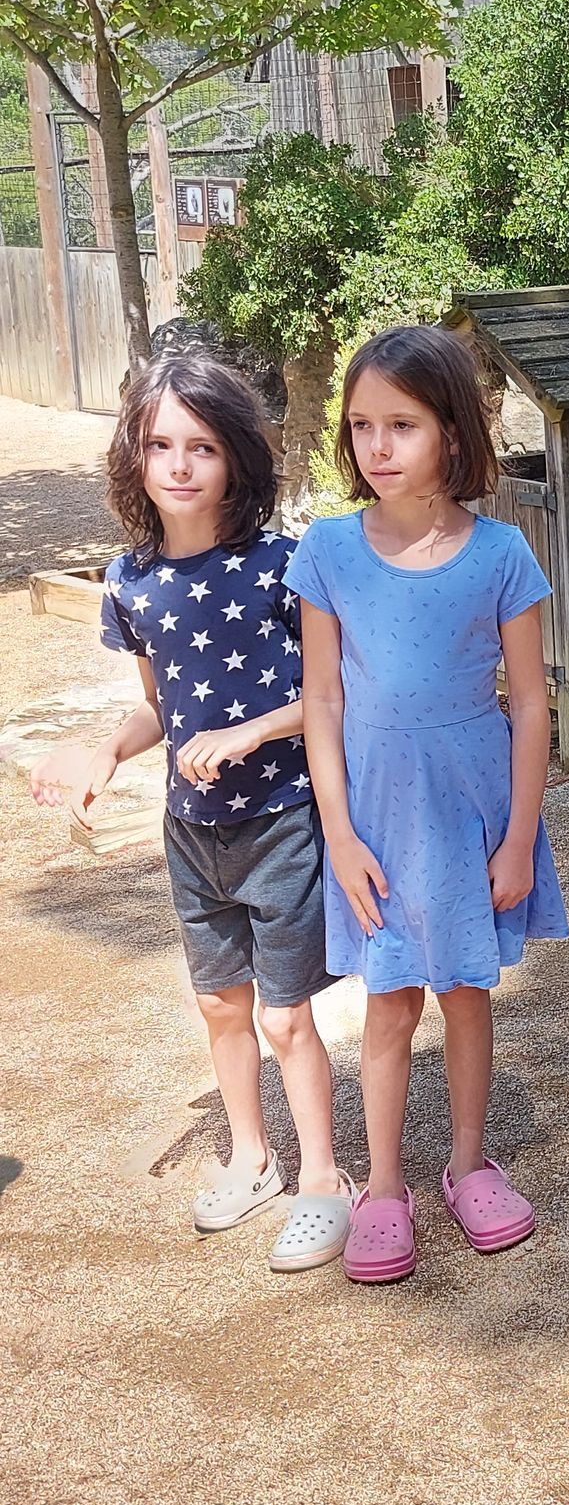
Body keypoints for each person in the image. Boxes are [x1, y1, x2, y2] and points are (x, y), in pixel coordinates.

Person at [30, 353, 355, 1272]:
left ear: (237, 457)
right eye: (160, 444)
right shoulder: (127, 582)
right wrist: (105, 750)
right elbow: (162, 709)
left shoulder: (283, 565)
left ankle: (323, 1178)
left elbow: (333, 693)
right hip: (191, 833)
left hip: (283, 820)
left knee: (286, 1018)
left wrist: (251, 732)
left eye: (202, 446)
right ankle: (252, 1158)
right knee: (218, 1004)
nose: (179, 464)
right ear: (132, 456)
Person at [287, 325, 568, 1287]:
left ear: (452, 429)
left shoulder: (501, 554)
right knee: (389, 1002)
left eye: (401, 424)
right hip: (375, 818)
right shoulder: (328, 551)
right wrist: (338, 834)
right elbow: (322, 699)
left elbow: (531, 703)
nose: (377, 445)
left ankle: (469, 1165)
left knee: (466, 991)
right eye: (362, 425)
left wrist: (519, 839)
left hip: (470, 813)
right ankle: (383, 1186)